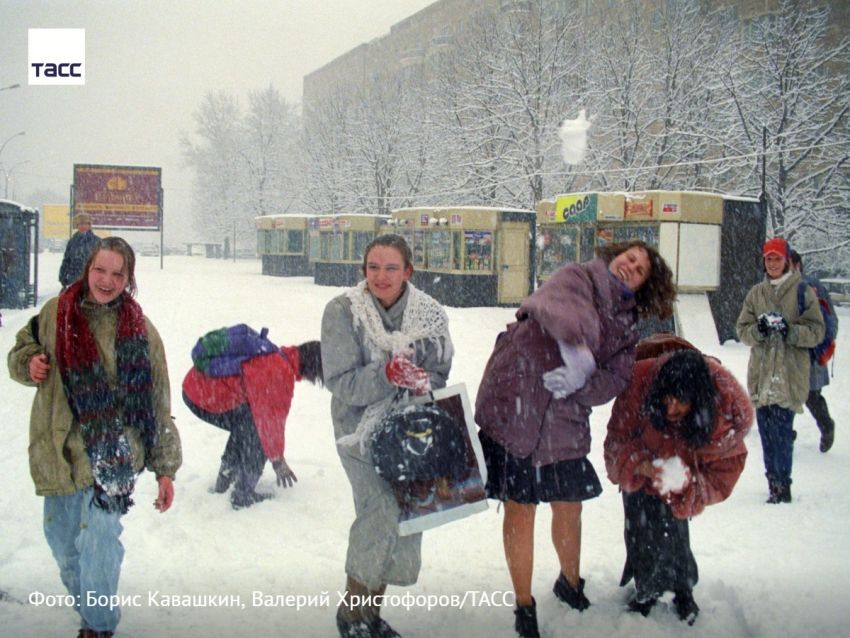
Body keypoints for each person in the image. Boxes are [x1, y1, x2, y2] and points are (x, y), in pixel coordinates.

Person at [474, 239, 676, 638]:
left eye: (639, 271)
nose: (629, 268)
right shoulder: (577, 275)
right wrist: (578, 348)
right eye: (629, 259)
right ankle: (524, 605)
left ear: (643, 287)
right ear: (616, 254)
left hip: (564, 419)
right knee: (521, 507)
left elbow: (618, 376)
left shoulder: (628, 322)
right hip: (516, 402)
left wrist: (581, 383)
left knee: (569, 506)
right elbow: (561, 310)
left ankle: (570, 582)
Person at [7, 237, 182, 638]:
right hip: (58, 452)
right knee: (65, 548)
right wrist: (28, 364)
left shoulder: (141, 331)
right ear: (88, 269)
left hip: (113, 457)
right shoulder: (55, 313)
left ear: (129, 279)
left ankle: (98, 627)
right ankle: (91, 612)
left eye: (118, 273)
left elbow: (158, 403)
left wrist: (165, 469)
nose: (107, 280)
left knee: (100, 544)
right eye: (100, 270)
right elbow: (21, 349)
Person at [321, 233, 453, 638]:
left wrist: (419, 381)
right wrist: (386, 375)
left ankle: (371, 615)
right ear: (364, 270)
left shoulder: (430, 314)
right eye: (373, 267)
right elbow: (340, 382)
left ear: (408, 271)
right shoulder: (343, 311)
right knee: (378, 512)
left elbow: (440, 373)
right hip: (358, 432)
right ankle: (353, 616)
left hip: (410, 430)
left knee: (403, 518)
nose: (381, 276)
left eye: (391, 267)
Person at [603, 337, 753, 625]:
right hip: (642, 469)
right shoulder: (638, 384)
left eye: (681, 402)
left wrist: (690, 485)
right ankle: (645, 589)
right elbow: (615, 443)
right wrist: (640, 465)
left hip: (682, 476)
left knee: (675, 531)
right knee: (639, 528)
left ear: (699, 400)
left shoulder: (724, 412)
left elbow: (724, 475)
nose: (671, 409)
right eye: (666, 399)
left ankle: (683, 589)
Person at [182, 329, 323, 509]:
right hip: (202, 396)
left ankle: (225, 480)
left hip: (196, 387)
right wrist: (278, 461)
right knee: (259, 433)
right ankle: (243, 493)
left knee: (248, 422)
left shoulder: (276, 355)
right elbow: (270, 424)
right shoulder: (279, 373)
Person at [736, 237, 824, 503]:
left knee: (783, 432)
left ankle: (782, 485)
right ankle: (772, 480)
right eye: (769, 259)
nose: (773, 264)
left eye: (777, 258)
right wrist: (759, 331)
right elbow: (742, 330)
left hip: (789, 374)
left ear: (787, 261)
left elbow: (817, 331)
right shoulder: (756, 293)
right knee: (766, 432)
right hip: (762, 375)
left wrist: (791, 332)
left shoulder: (802, 292)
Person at [789, 249, 837, 452]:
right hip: (786, 353)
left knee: (811, 395)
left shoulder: (811, 287)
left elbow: (829, 321)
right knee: (783, 395)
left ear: (797, 265)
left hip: (810, 353)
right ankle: (784, 435)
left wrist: (817, 349)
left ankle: (826, 426)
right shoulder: (775, 288)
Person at [59, 212, 100, 289]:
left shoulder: (97, 242)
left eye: (85, 224)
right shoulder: (72, 241)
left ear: (90, 225)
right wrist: (63, 276)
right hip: (73, 280)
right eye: (80, 224)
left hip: (91, 281)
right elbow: (66, 260)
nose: (82, 226)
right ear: (77, 226)